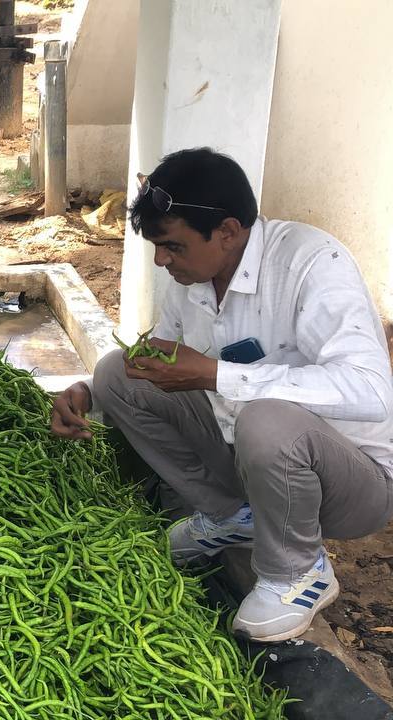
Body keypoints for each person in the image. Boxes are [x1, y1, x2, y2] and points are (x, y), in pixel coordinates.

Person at [50, 148, 393, 642]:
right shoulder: (193, 277)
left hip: (351, 483)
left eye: (173, 246)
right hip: (249, 459)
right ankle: (235, 516)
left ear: (228, 231)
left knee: (265, 419)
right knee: (117, 374)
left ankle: (298, 572)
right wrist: (88, 393)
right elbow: (155, 361)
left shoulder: (313, 263)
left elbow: (371, 391)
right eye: (157, 247)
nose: (161, 260)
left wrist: (217, 374)